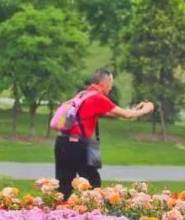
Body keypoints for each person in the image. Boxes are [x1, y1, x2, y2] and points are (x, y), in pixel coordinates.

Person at [55, 68, 154, 200]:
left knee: (64, 186)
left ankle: (54, 216)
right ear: (104, 83)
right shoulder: (97, 98)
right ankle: (92, 217)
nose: (111, 88)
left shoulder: (83, 95)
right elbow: (126, 115)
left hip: (62, 143)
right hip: (76, 145)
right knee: (93, 182)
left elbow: (116, 113)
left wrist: (135, 110)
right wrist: (146, 109)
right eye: (111, 84)